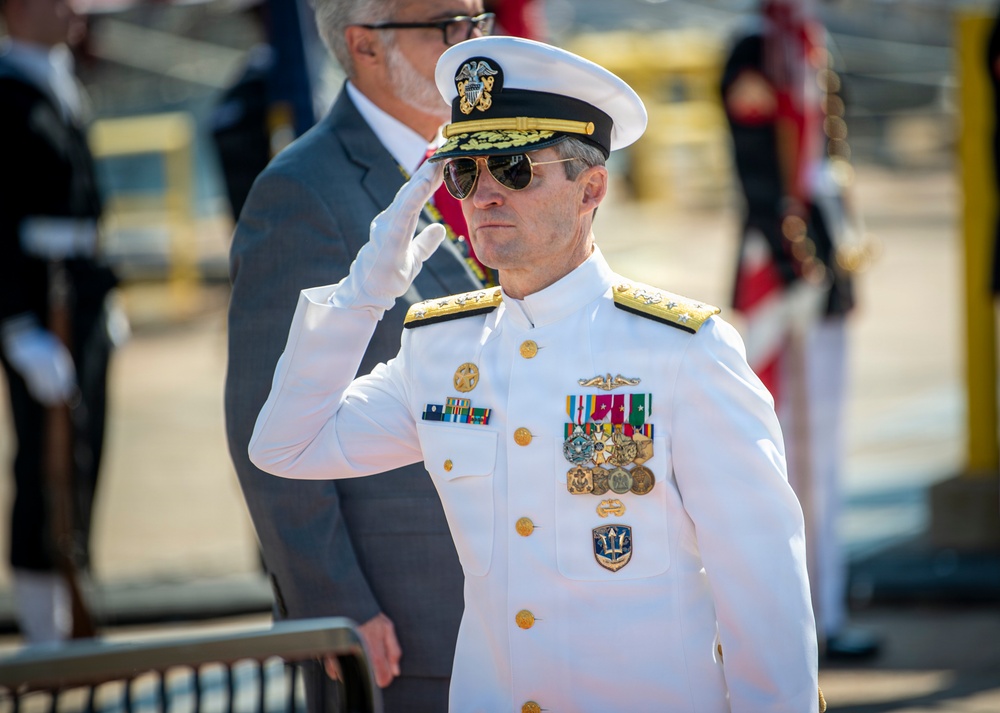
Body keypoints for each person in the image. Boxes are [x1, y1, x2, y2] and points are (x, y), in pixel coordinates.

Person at [250, 35, 824, 712]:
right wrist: (361, 295)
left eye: (516, 167)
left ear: (591, 189)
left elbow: (764, 595)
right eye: (466, 172)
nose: (485, 194)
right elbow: (285, 446)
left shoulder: (685, 353)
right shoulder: (440, 349)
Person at [224, 0, 493, 708]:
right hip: (402, 619)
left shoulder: (493, 159)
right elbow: (266, 421)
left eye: (478, 18)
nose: (472, 43)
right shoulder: (301, 191)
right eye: (447, 24)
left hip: (510, 604)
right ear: (364, 46)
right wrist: (333, 602)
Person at [720, 0, 878, 659]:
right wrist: (792, 266)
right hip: (784, 271)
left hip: (823, 267)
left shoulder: (809, 43)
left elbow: (828, 165)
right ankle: (783, 616)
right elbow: (759, 175)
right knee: (773, 446)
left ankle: (826, 606)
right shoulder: (754, 50)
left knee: (823, 453)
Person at [0, 0, 120, 644]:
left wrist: (105, 293)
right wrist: (16, 326)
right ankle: (43, 625)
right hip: (40, 300)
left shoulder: (58, 76)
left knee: (85, 449)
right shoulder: (10, 91)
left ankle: (77, 584)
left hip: (81, 292)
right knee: (40, 458)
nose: (75, 10)